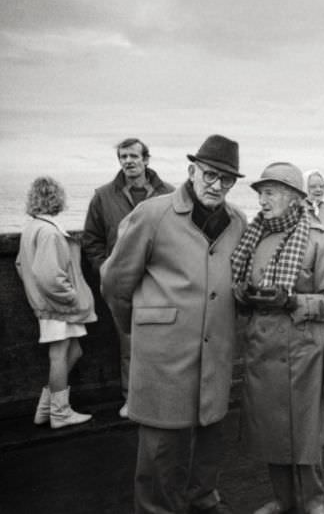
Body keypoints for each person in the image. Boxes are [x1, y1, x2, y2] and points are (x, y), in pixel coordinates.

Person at [101, 134, 246, 514]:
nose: (217, 185)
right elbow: (115, 282)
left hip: (215, 352)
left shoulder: (238, 223)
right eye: (210, 175)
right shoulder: (153, 213)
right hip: (163, 356)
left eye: (227, 180)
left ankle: (203, 500)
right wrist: (141, 330)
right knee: (162, 451)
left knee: (210, 436)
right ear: (192, 170)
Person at [231, 162, 324, 514]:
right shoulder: (253, 235)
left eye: (270, 193)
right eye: (260, 193)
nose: (262, 200)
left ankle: (314, 503)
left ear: (293, 198)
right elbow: (236, 286)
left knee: (303, 436)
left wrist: (294, 301)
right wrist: (244, 295)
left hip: (302, 353)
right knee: (270, 431)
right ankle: (284, 500)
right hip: (262, 347)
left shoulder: (316, 238)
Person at [82, 137, 174, 419]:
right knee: (128, 342)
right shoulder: (103, 196)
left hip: (159, 282)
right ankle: (131, 399)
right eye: (123, 157)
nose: (128, 161)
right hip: (122, 285)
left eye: (134, 156)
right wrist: (106, 269)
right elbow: (91, 239)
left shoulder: (170, 194)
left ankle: (163, 398)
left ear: (146, 159)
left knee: (164, 341)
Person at [16, 177, 96, 429]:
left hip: (48, 304)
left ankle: (46, 408)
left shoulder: (32, 227)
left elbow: (20, 264)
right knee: (60, 355)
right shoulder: (49, 232)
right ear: (56, 198)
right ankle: (60, 413)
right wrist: (70, 296)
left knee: (74, 351)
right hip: (58, 306)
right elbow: (50, 276)